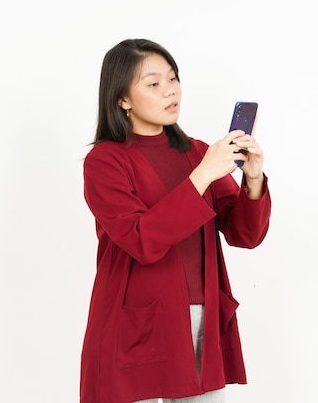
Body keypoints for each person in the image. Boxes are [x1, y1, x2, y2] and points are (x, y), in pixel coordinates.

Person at [80, 38, 272, 403]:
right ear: (122, 98)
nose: (170, 92)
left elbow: (243, 234)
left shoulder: (198, 152)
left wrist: (253, 179)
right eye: (153, 84)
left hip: (199, 316)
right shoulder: (106, 162)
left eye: (173, 79)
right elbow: (141, 240)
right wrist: (202, 176)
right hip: (132, 322)